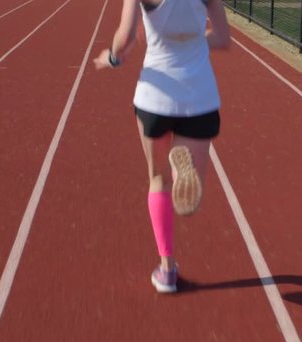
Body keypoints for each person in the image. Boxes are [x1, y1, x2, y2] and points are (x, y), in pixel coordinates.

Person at [93, 0, 230, 293]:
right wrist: (193, 42)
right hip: (200, 99)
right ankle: (185, 177)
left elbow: (125, 37)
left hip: (155, 97)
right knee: (190, 197)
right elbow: (222, 38)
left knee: (157, 180)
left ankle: (167, 268)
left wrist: (112, 58)